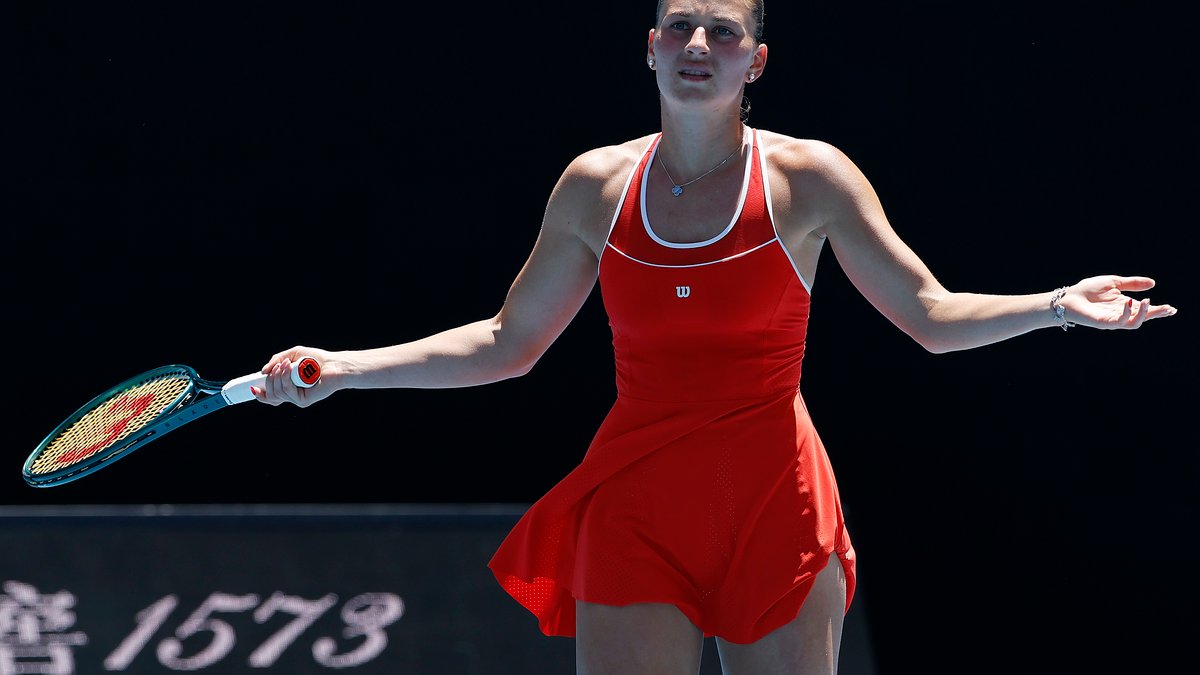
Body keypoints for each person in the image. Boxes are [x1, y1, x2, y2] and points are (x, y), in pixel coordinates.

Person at [251, 1, 1177, 672]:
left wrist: (1058, 303)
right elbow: (505, 341)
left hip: (776, 502)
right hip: (638, 504)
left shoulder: (811, 179)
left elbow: (930, 316)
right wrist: (342, 369)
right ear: (650, 49)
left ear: (757, 61)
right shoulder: (594, 187)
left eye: (724, 32)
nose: (699, 45)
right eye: (681, 28)